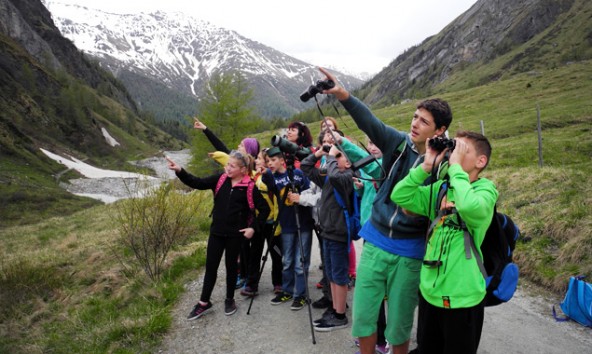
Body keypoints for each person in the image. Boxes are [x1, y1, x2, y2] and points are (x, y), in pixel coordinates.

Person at [318, 67, 453, 354]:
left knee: (400, 323)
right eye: (415, 117)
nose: (415, 124)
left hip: (411, 251)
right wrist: (343, 94)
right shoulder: (399, 143)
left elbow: (428, 208)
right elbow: (371, 123)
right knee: (365, 315)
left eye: (424, 121)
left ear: (439, 130)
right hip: (377, 240)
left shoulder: (445, 165)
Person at [391, 131, 498, 354]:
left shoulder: (486, 190)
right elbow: (400, 196)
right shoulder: (442, 189)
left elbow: (470, 208)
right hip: (430, 292)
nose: (453, 154)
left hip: (463, 297)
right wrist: (426, 167)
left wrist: (456, 168)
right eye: (453, 149)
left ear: (481, 161)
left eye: (461, 149)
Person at [166, 151, 270, 319]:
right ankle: (203, 303)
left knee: (231, 268)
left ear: (243, 169)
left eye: (231, 166)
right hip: (216, 233)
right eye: (227, 164)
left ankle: (229, 300)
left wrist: (252, 228)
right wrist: (179, 170)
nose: (227, 168)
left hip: (236, 236)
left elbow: (265, 209)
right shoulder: (220, 180)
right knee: (211, 267)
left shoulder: (250, 187)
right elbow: (197, 182)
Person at [192, 117, 259, 289]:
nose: (237, 148)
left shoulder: (250, 173)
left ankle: (248, 279)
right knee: (239, 252)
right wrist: (206, 130)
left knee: (248, 251)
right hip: (232, 222)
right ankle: (241, 275)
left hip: (246, 218)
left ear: (248, 151)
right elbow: (220, 146)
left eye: (241, 146)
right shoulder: (237, 164)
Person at [301, 142, 354, 332]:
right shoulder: (330, 177)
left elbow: (333, 174)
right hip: (327, 230)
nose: (331, 157)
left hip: (339, 232)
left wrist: (330, 157)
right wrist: (318, 154)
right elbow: (306, 168)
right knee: (331, 273)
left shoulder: (346, 177)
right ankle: (334, 308)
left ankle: (340, 315)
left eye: (338, 155)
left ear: (348, 163)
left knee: (339, 275)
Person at [265, 147, 314, 311]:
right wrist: (263, 168)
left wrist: (298, 196)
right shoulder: (273, 178)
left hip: (303, 223)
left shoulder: (298, 174)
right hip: (286, 224)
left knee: (301, 262)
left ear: (281, 160)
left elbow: (309, 191)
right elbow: (266, 180)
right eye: (268, 161)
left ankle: (300, 295)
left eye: (273, 160)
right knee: (287, 261)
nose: (270, 164)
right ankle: (287, 290)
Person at [240, 148, 283, 296]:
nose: (256, 160)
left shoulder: (271, 178)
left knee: (276, 254)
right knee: (255, 253)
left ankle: (278, 282)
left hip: (272, 223)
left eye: (259, 158)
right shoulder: (256, 176)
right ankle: (252, 284)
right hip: (259, 222)